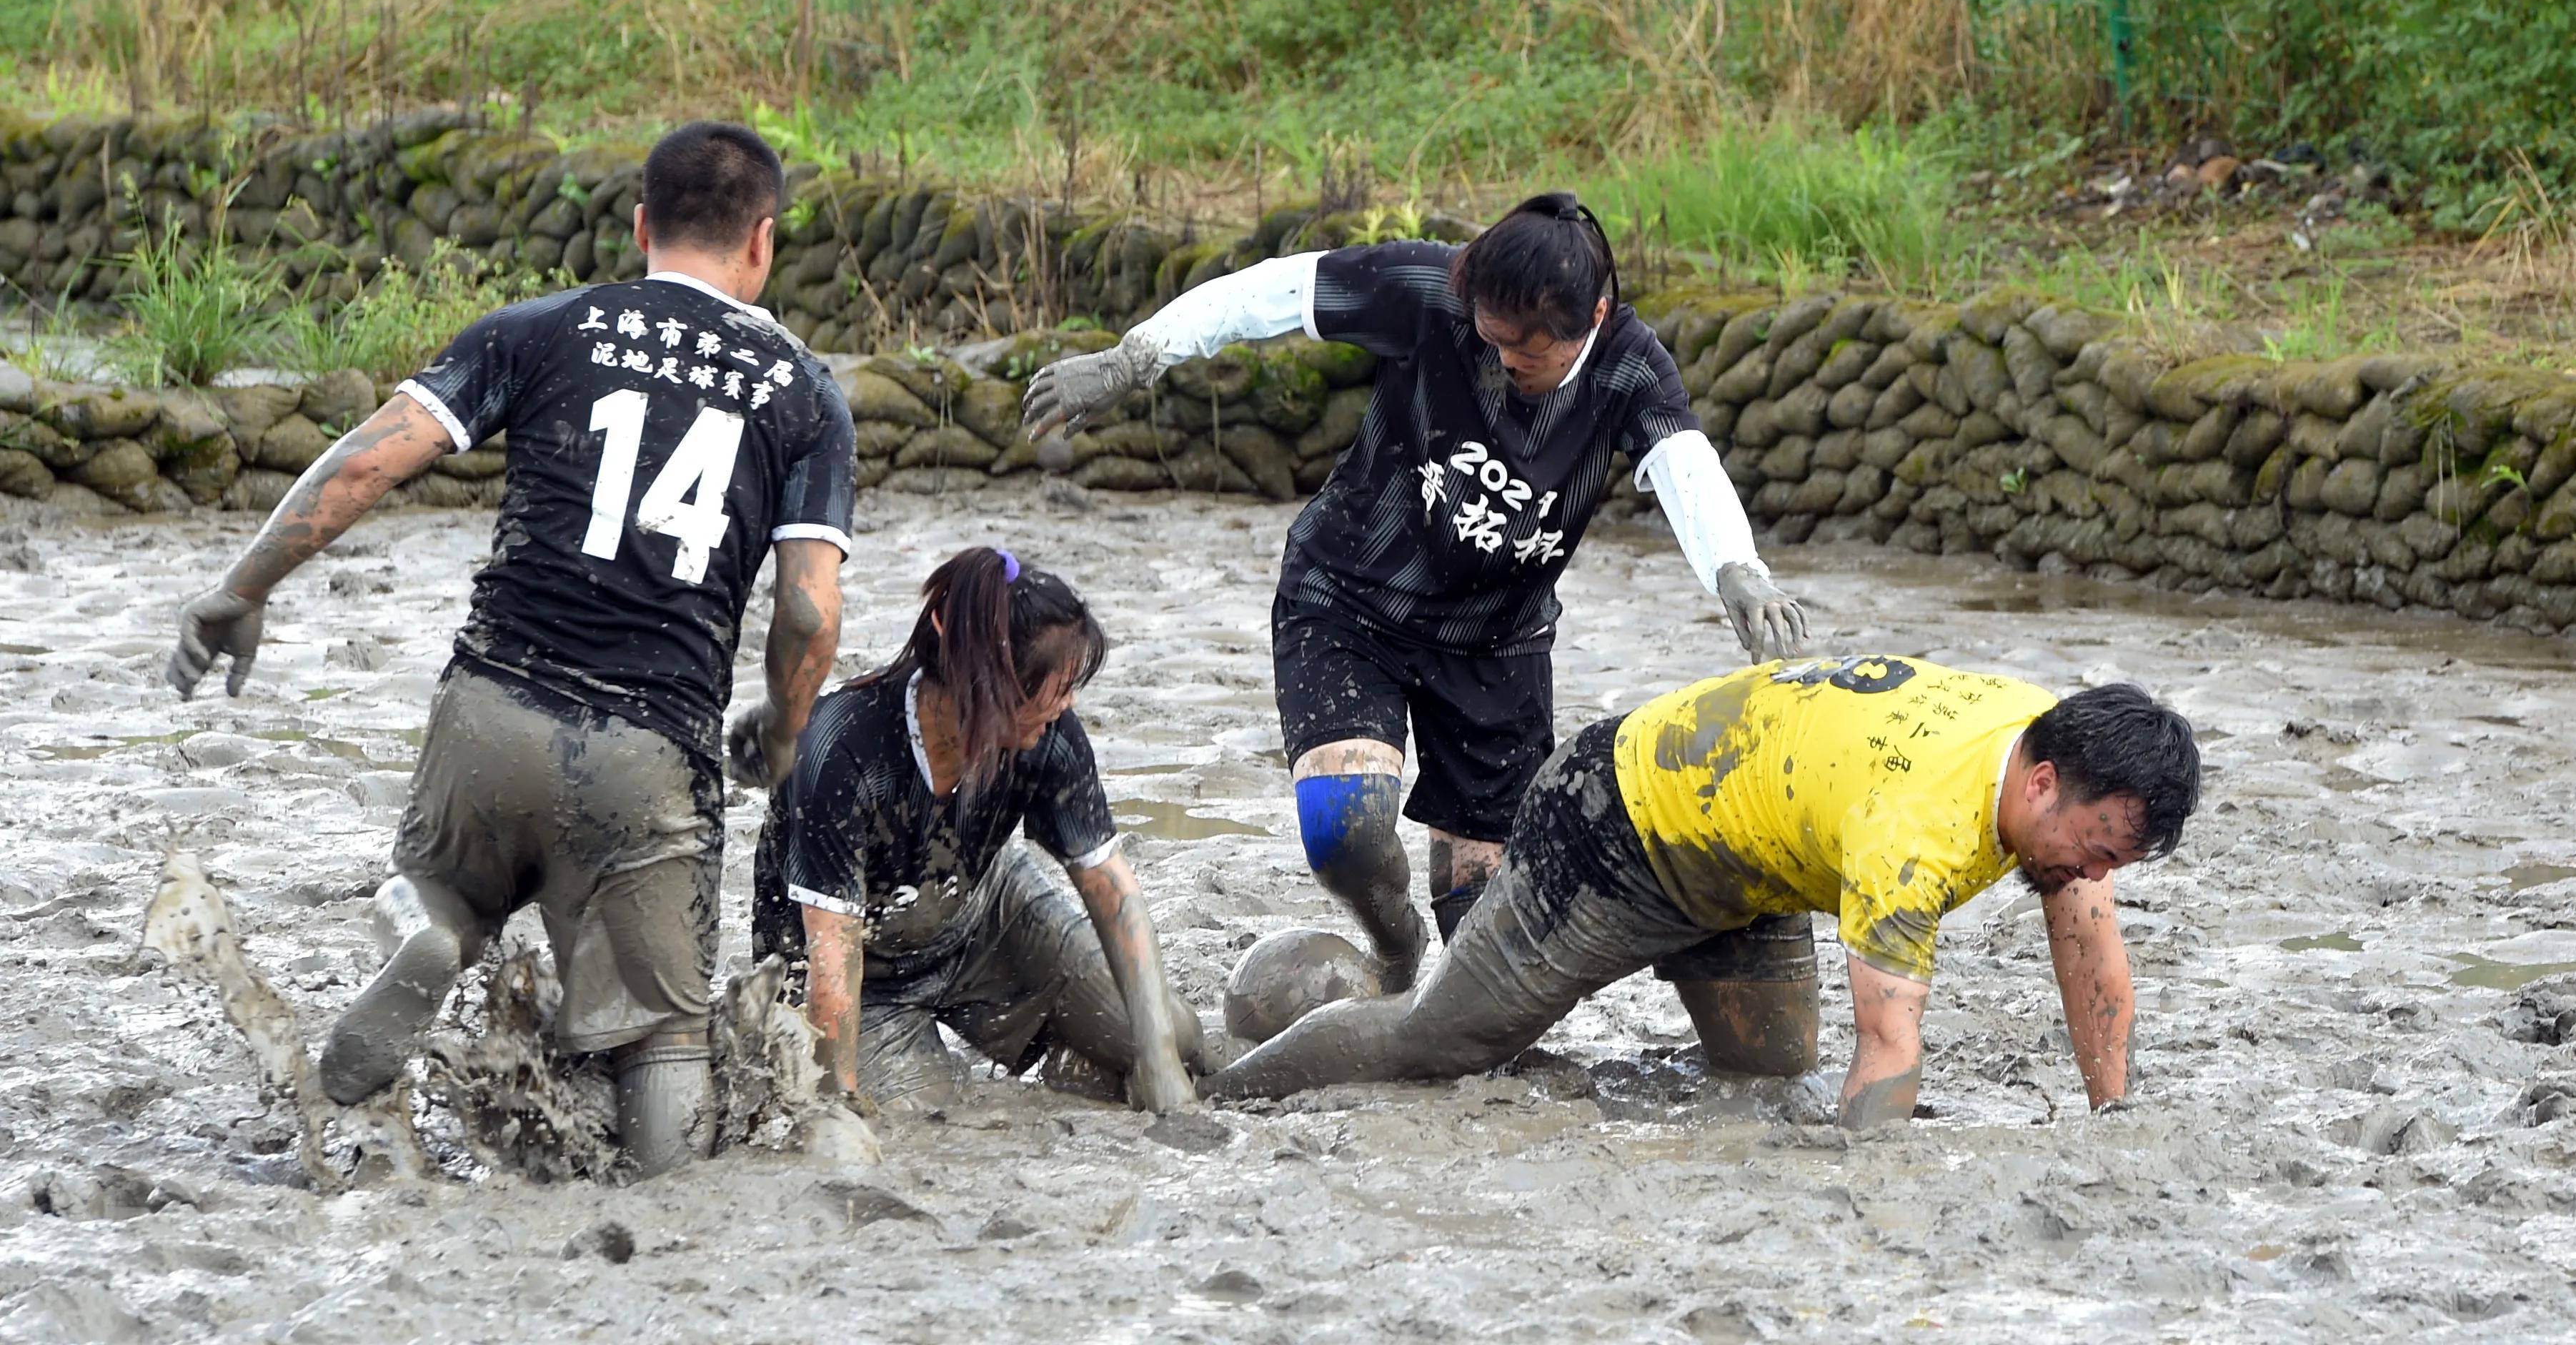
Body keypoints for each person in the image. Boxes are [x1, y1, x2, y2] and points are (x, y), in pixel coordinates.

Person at [164, 121, 855, 1176]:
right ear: (762, 243)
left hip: (491, 711)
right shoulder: (804, 395)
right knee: (665, 1059)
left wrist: (237, 590)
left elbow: (361, 467)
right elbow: (809, 614)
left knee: (433, 884)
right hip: (652, 754)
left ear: (640, 228)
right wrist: (784, 724)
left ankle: (428, 930)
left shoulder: (541, 329)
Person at [1023, 194, 1811, 1001]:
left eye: (1526, 351)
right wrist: (1133, 356)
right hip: (1350, 598)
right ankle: (1394, 948)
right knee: (1349, 836)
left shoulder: (1628, 365)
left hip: (1495, 644)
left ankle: (1443, 988)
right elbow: (1275, 292)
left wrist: (1736, 571)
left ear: (1594, 316)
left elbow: (1682, 462)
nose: (1501, 360)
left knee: (1488, 936)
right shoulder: (1431, 291)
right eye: (1490, 337)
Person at [1205, 659, 2202, 1129]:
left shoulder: (2055, 734)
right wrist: (1869, 1197)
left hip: (1754, 864)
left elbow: (2086, 942)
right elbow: (1889, 1056)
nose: (2094, 876)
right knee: (1441, 1041)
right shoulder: (1917, 838)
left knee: (1767, 1077)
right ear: (2040, 785)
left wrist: (2110, 1117)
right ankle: (1212, 1085)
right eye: (2097, 848)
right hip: (1617, 823)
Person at [752, 545, 1210, 1114]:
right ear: (987, 686)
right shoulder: (841, 749)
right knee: (922, 1125)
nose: (1067, 706)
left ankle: (1077, 1061)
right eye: (1055, 690)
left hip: (977, 913)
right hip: (857, 973)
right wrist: (836, 1109)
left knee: (1173, 1032)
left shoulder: (1050, 734)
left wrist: (1160, 1060)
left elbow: (1109, 889)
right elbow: (831, 961)